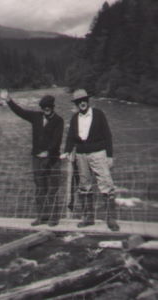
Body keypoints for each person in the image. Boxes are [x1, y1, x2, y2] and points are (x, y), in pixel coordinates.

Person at [0, 90, 64, 227]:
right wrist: (9, 100)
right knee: (40, 188)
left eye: (49, 107)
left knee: (52, 188)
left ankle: (53, 218)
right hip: (36, 159)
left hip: (52, 159)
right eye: (44, 107)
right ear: (42, 108)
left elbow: (57, 140)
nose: (46, 109)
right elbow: (21, 112)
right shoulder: (36, 117)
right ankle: (41, 217)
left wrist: (48, 152)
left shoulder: (59, 121)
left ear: (53, 107)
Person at [61, 89, 120, 231]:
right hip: (81, 156)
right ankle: (88, 218)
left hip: (99, 154)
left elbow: (108, 135)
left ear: (88, 101)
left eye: (84, 100)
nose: (82, 103)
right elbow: (70, 137)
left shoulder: (99, 115)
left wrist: (110, 156)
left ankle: (111, 219)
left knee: (106, 184)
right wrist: (67, 151)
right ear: (75, 104)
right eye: (78, 101)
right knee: (84, 186)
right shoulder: (75, 118)